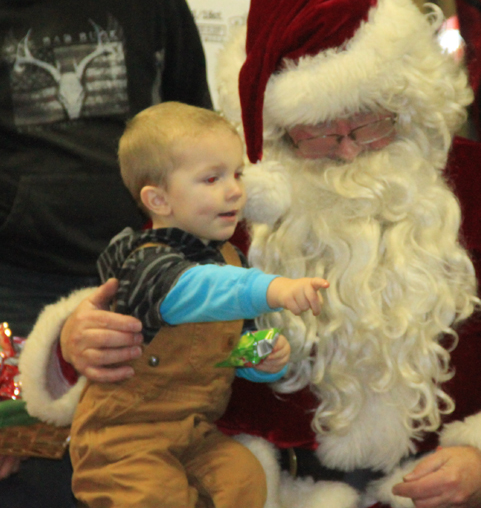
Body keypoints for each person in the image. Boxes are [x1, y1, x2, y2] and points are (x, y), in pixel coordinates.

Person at [19, 0, 481, 508]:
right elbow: (139, 319)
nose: (348, 149)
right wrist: (76, 345)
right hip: (267, 491)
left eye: (370, 120)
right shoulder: (229, 207)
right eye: (319, 130)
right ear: (275, 133)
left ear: (410, 103)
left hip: (450, 494)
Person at [0, 0, 211, 505]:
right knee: (24, 464)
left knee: (131, 457)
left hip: (137, 272)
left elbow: (195, 125)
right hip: (17, 276)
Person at [69, 102, 328, 507]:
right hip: (123, 435)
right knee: (157, 497)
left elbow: (231, 344)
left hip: (192, 430)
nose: (235, 190)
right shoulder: (146, 262)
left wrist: (261, 354)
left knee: (244, 476)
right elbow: (197, 290)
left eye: (237, 173)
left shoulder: (230, 259)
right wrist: (273, 288)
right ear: (158, 200)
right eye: (212, 178)